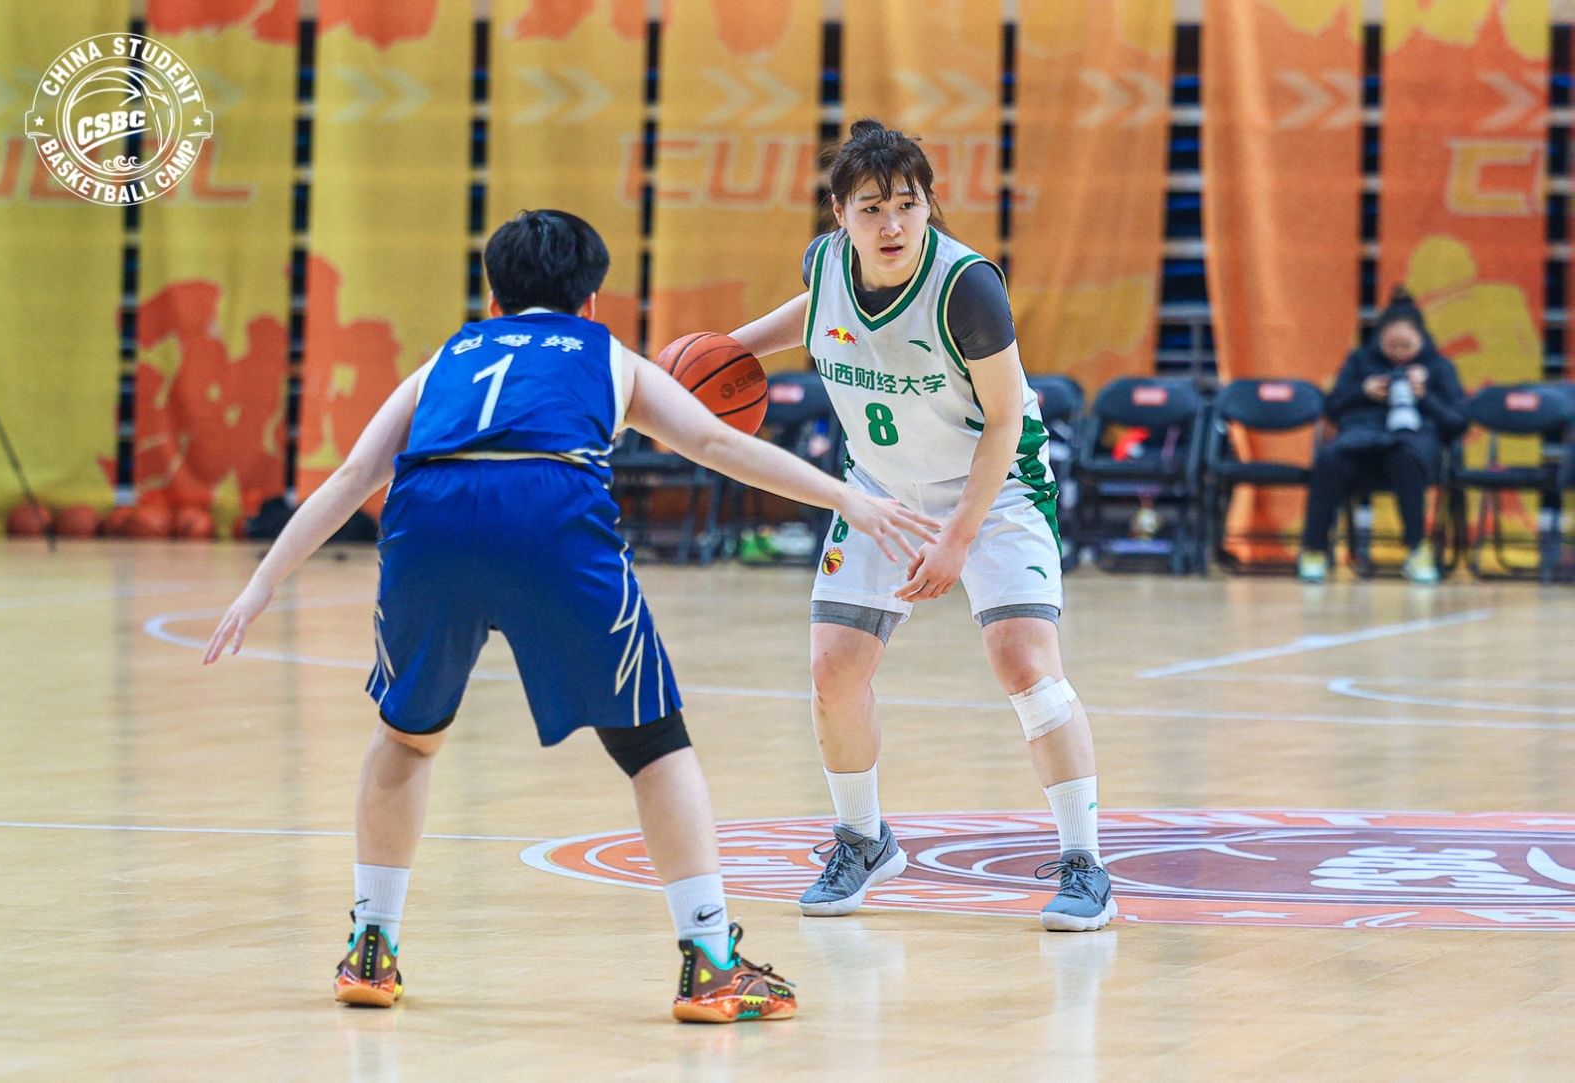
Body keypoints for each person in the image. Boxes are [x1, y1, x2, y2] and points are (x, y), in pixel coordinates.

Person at [202, 209, 938, 1022]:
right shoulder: (606, 354)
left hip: (428, 518)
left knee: (406, 737)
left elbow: (351, 476)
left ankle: (372, 946)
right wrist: (845, 497)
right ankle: (709, 960)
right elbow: (716, 445)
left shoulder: (448, 357)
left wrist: (261, 583)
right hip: (546, 508)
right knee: (655, 746)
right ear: (591, 300)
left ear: (493, 300)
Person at [728, 119, 1116, 932]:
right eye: (871, 208)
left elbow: (1005, 419)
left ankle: (1085, 864)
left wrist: (958, 537)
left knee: (1025, 662)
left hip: (996, 487)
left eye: (907, 204)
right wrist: (728, 353)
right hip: (882, 489)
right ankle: (863, 840)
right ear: (839, 213)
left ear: (929, 204)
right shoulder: (826, 264)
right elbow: (816, 311)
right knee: (833, 669)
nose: (892, 224)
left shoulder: (966, 286)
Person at [1298, 287, 1467, 584]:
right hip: (1360, 443)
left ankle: (1417, 549)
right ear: (1379, 339)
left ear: (1421, 339)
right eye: (1391, 346)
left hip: (1413, 446)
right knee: (1329, 459)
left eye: (1406, 346)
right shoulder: (1360, 361)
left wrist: (1424, 397)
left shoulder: (1439, 367)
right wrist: (1362, 392)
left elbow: (1457, 422)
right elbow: (1331, 408)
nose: (1398, 353)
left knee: (1404, 458)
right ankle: (1314, 549)